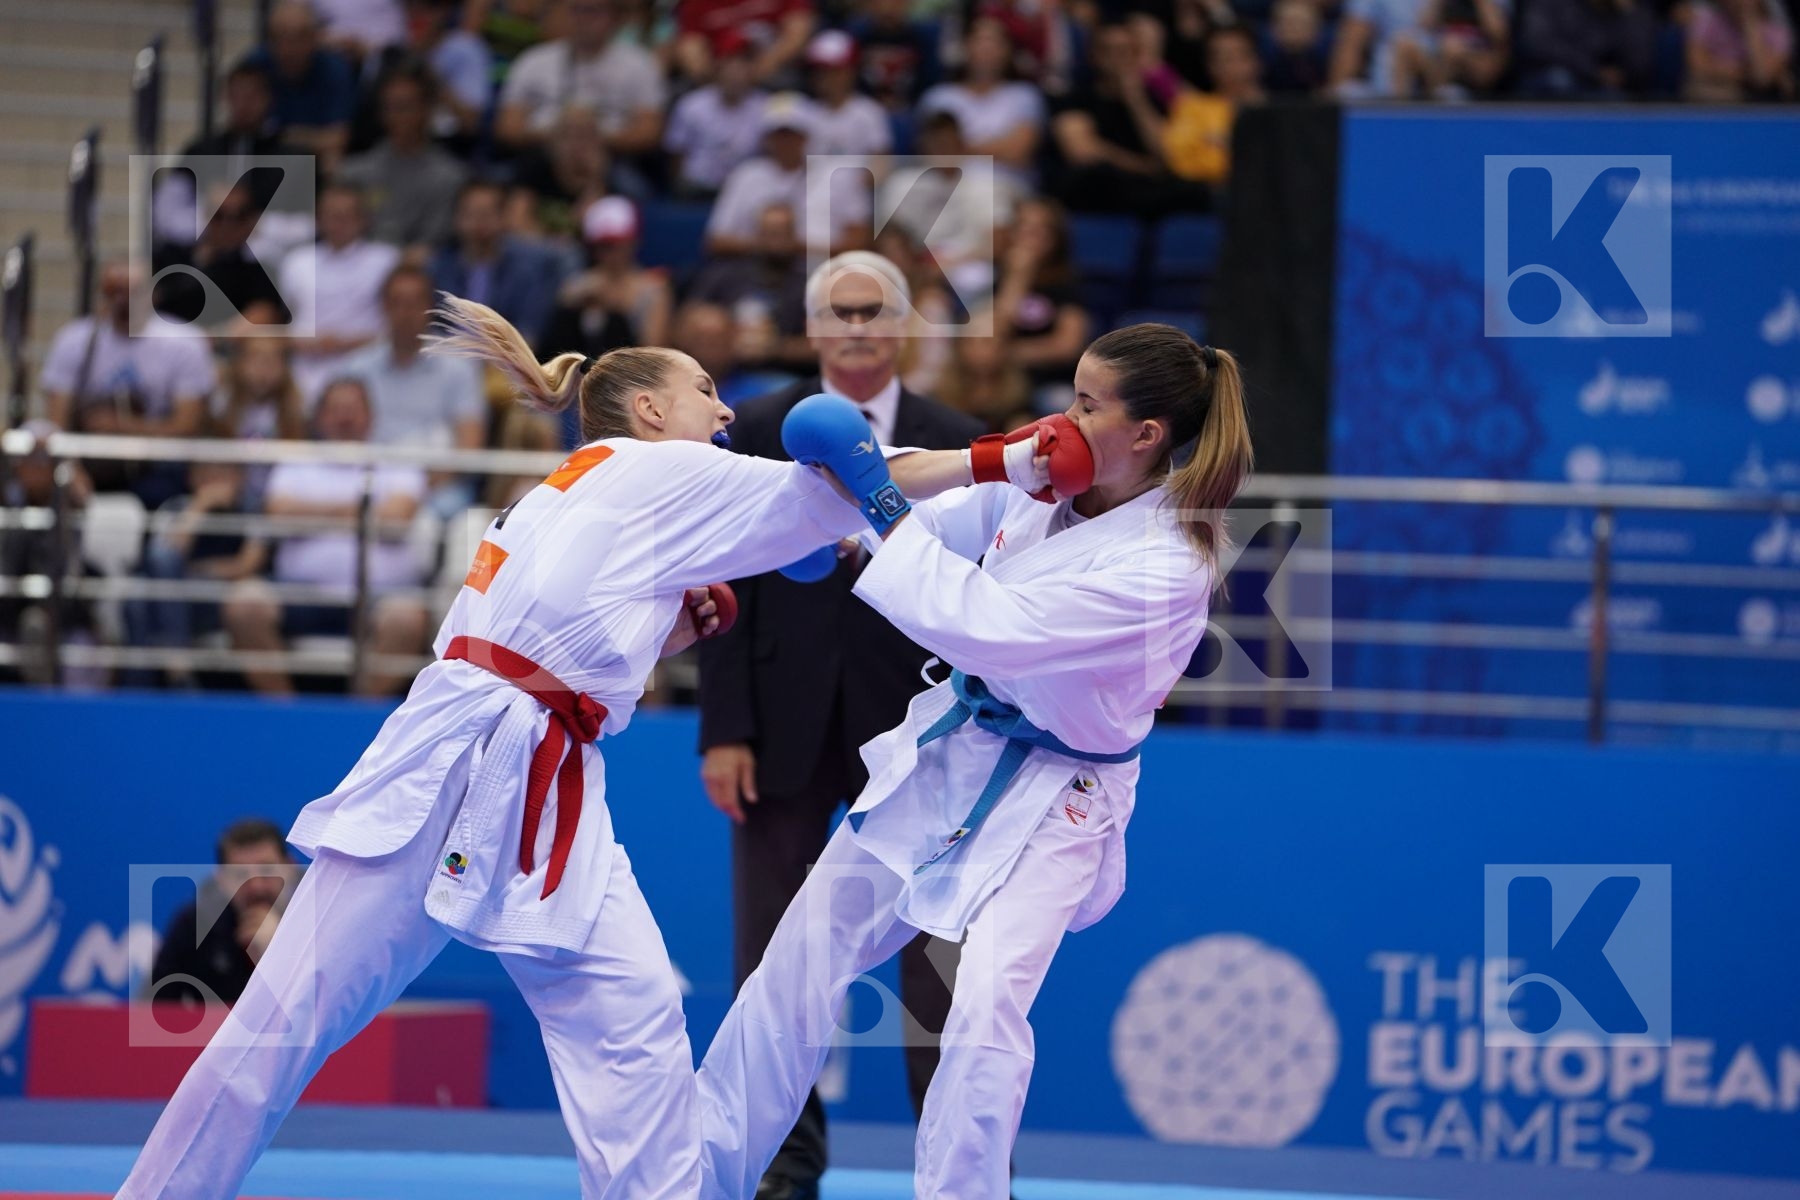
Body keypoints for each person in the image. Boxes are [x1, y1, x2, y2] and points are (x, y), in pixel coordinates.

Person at [115, 286, 1048, 1200]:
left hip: (533, 760)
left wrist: (664, 626)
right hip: (466, 763)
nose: (726, 410)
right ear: (649, 409)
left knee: (607, 1021)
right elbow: (852, 476)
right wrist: (1008, 456)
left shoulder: (563, 487)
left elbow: (552, 633)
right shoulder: (661, 469)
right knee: (330, 1022)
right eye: (705, 392)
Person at [697, 323, 1255, 1200]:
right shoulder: (1046, 483)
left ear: (1146, 436)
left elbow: (982, 626)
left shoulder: (1168, 563)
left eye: (1086, 403)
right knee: (800, 956)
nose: (1061, 417)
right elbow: (930, 506)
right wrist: (866, 521)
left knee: (983, 1009)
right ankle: (704, 1175)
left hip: (1058, 794)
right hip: (956, 751)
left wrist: (877, 507)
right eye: (1067, 392)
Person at [696, 250, 984, 1200]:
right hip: (776, 728)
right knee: (774, 960)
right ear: (814, 330)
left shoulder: (958, 441)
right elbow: (723, 572)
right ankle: (783, 1170)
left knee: (940, 963)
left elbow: (980, 592)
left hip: (919, 728)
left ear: (900, 327)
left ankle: (957, 1172)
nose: (857, 328)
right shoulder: (757, 427)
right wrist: (722, 728)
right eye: (840, 313)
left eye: (873, 312)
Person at [221, 377, 432, 700]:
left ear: (371, 416)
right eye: (336, 409)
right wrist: (362, 510)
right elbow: (279, 514)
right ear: (319, 417)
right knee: (244, 605)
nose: (344, 417)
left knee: (408, 619)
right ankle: (287, 713)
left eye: (353, 409)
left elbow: (397, 519)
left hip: (381, 597)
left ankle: (358, 723)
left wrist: (312, 515)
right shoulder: (296, 462)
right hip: (299, 594)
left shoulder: (397, 463)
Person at [39, 263, 218, 507]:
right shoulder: (75, 340)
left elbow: (187, 426)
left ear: (153, 294)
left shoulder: (184, 342)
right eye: (114, 291)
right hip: (90, 459)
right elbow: (55, 422)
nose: (124, 301)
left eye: (133, 292)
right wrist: (70, 470)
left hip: (159, 463)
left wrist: (121, 425)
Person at [144, 820, 300, 1006]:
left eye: (267, 870)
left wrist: (276, 952)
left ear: (290, 869)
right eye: (240, 875)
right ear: (222, 880)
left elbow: (322, 1011)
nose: (256, 886)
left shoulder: (314, 921)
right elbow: (153, 1008)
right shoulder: (195, 925)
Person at [495, 0, 668, 161]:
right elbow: (508, 127)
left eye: (593, 11)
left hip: (611, 157)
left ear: (616, 17)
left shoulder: (639, 64)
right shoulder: (534, 59)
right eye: (576, 10)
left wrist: (590, 137)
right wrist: (556, 134)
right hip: (542, 153)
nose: (583, 18)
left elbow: (650, 131)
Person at [281, 184, 402, 403]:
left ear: (364, 219)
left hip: (369, 365)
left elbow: (399, 323)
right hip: (305, 365)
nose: (338, 223)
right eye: (331, 215)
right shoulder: (297, 261)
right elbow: (282, 321)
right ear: (318, 219)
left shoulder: (385, 261)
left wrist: (343, 343)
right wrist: (305, 343)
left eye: (346, 216)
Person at [337, 63, 470, 249]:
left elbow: (435, 241)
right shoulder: (353, 172)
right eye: (389, 107)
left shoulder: (450, 177)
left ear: (427, 109)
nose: (395, 116)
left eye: (404, 106)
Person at [431, 179, 570, 351]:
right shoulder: (438, 268)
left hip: (506, 363)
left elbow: (529, 335)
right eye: (471, 214)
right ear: (457, 219)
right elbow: (428, 329)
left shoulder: (530, 270)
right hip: (447, 361)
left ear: (503, 217)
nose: (479, 222)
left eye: (487, 213)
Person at [916, 15, 1046, 190]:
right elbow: (933, 153)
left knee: (979, 194)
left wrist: (957, 146)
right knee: (898, 190)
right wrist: (996, 147)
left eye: (995, 42)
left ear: (1008, 51)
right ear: (965, 46)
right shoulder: (938, 97)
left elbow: (1017, 151)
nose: (987, 48)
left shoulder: (1024, 95)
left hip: (1003, 185)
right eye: (979, 40)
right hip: (942, 184)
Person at [249, 1, 359, 173]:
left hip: (314, 159)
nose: (287, 49)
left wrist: (283, 136)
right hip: (264, 158)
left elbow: (338, 138)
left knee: (332, 158)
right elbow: (243, 131)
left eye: (297, 39)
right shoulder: (256, 66)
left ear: (314, 39)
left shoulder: (334, 68)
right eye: (279, 39)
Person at [665, 31, 771, 197]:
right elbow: (677, 156)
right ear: (717, 66)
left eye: (743, 63)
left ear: (752, 67)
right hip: (697, 191)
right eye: (729, 63)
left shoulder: (767, 107)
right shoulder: (691, 105)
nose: (735, 71)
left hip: (747, 193)